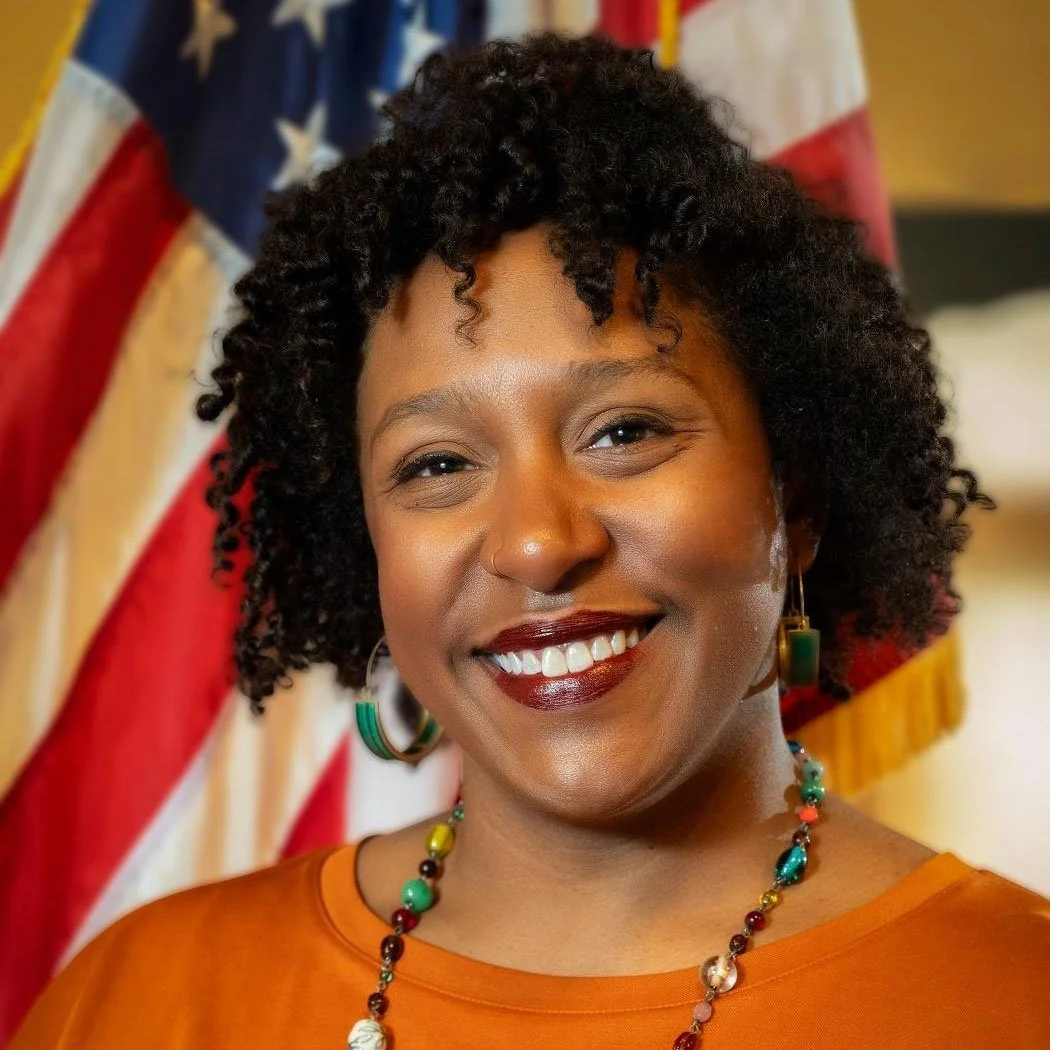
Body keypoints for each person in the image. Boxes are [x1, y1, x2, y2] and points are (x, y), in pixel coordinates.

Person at [12, 31, 1049, 1050]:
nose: (539, 543)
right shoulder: (140, 1003)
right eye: (435, 465)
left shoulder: (1013, 1000)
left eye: (624, 432)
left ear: (799, 497)